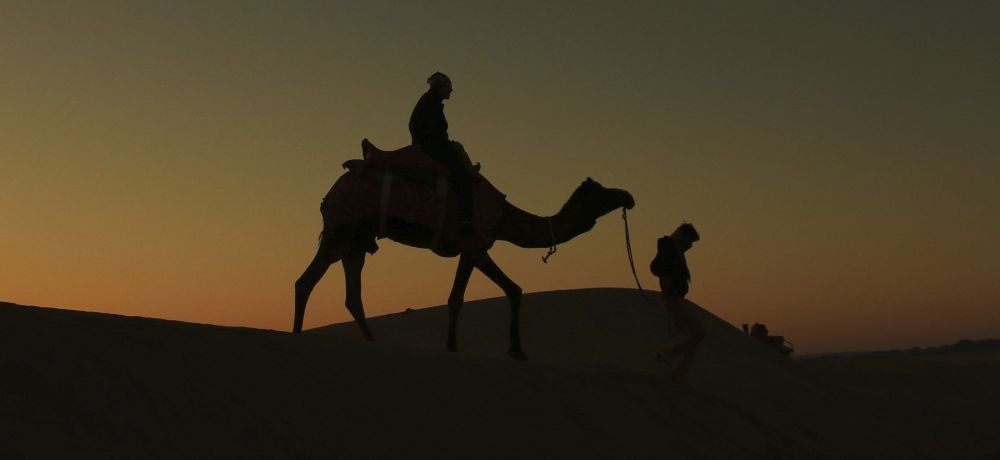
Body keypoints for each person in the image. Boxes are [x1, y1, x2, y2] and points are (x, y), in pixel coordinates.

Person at [408, 72, 477, 239]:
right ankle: (465, 221)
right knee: (463, 178)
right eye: (448, 87)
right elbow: (434, 133)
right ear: (441, 88)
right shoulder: (431, 104)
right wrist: (447, 146)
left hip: (430, 146)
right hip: (431, 148)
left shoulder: (430, 102)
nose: (451, 91)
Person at [651, 222, 703, 382]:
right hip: (672, 297)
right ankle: (668, 355)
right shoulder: (669, 247)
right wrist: (668, 281)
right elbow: (656, 268)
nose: (690, 246)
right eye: (690, 242)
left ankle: (679, 374)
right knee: (698, 333)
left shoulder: (675, 249)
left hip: (676, 298)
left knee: (695, 336)